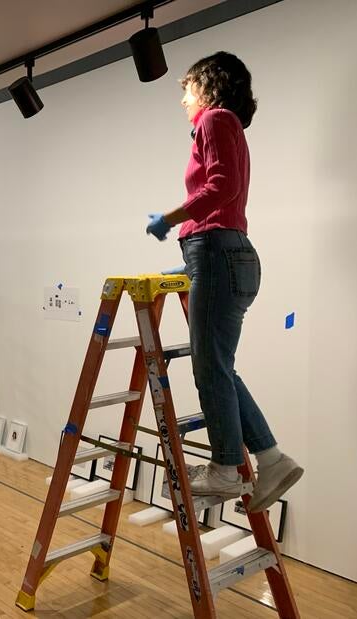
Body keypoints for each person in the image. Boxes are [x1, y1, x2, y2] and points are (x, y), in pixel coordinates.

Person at [145, 51, 302, 513]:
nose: (183, 101)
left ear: (208, 87)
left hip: (216, 252)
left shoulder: (214, 120)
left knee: (209, 366)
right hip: (223, 254)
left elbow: (221, 189)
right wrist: (188, 264)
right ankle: (270, 459)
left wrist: (170, 219)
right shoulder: (226, 126)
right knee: (220, 366)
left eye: (187, 88)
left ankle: (226, 469)